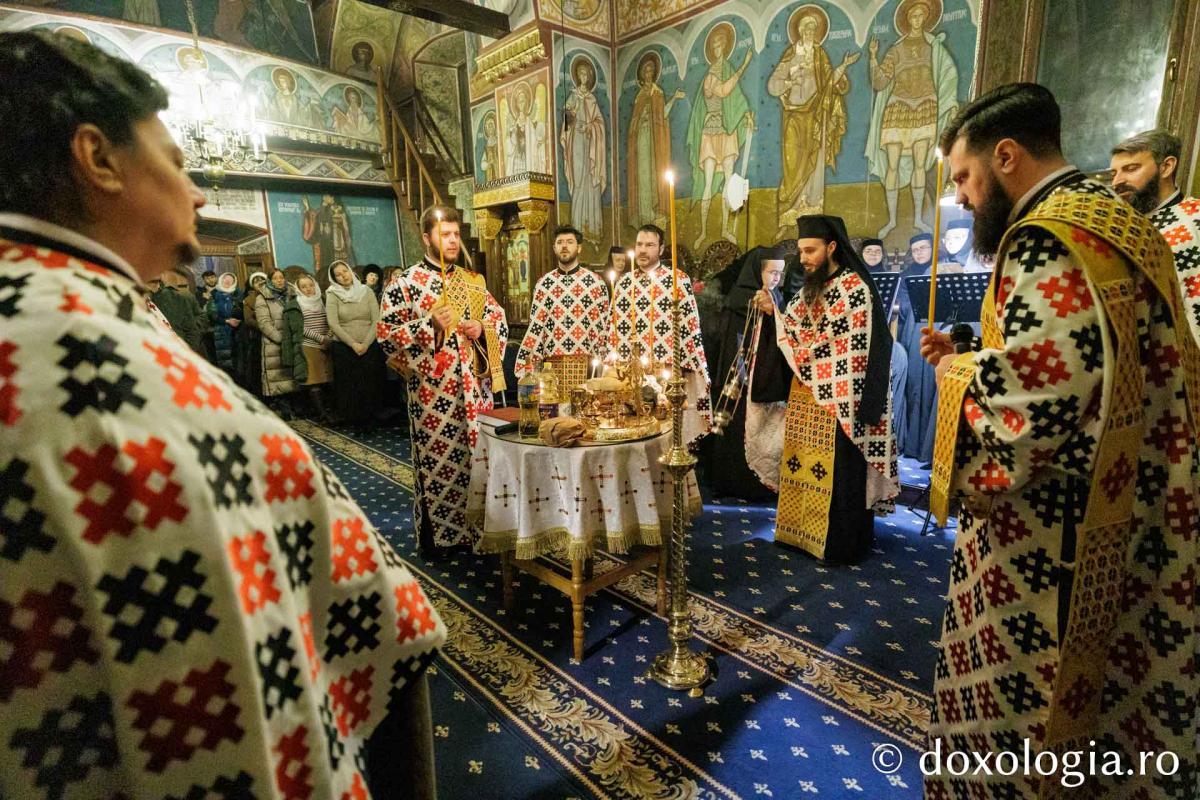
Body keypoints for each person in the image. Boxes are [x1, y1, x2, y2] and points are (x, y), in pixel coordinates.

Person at [0, 30, 445, 800]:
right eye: (176, 162)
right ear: (98, 158)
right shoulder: (106, 367)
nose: (200, 193)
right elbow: (376, 630)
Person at [921, 83, 1200, 798]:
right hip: (1132, 498)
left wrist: (955, 376)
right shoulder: (1116, 219)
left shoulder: (1047, 237)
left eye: (964, 176)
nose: (961, 197)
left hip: (1052, 540)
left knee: (1029, 725)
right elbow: (1078, 361)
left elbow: (1031, 414)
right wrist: (973, 355)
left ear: (1006, 156)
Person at [378, 205, 509, 552]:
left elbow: (498, 320)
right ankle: (442, 538)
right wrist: (429, 325)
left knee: (479, 462)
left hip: (476, 393)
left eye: (455, 234)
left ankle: (481, 532)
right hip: (433, 396)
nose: (452, 241)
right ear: (426, 238)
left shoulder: (472, 281)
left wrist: (481, 328)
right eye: (444, 234)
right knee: (440, 464)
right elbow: (386, 336)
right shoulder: (404, 284)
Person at [774, 215, 898, 564]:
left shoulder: (854, 288)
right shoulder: (807, 290)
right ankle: (799, 534)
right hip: (807, 395)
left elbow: (841, 346)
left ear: (831, 247)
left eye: (810, 250)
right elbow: (792, 327)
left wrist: (809, 356)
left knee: (842, 473)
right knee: (801, 463)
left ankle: (839, 544)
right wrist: (773, 314)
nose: (803, 258)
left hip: (843, 399)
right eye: (801, 251)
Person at [704, 247, 793, 500]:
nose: (776, 279)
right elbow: (734, 343)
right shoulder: (740, 299)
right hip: (740, 376)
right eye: (771, 272)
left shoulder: (777, 297)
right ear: (757, 271)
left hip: (765, 376)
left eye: (780, 274)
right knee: (734, 426)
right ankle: (732, 481)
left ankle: (760, 483)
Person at [610, 224, 711, 445]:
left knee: (669, 431)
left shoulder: (677, 280)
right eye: (639, 244)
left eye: (649, 245)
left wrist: (689, 363)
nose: (642, 250)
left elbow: (689, 325)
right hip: (632, 372)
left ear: (661, 248)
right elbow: (615, 327)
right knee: (635, 427)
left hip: (668, 369)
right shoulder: (624, 283)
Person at [767, 8, 858, 237]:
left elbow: (829, 82)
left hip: (815, 115)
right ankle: (789, 216)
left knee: (814, 161)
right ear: (799, 30)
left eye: (813, 28)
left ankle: (811, 216)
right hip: (793, 115)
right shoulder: (791, 54)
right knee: (792, 164)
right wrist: (789, 82)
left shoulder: (820, 55)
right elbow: (772, 85)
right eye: (806, 28)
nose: (810, 32)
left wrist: (843, 67)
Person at [1111, 129, 1200, 347]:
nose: (1117, 181)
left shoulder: (1196, 217)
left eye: (1131, 169)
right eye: (1114, 173)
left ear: (1166, 167)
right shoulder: (1120, 226)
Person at [515, 225, 610, 386]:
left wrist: (605, 360)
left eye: (569, 242)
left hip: (587, 360)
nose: (564, 246)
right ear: (554, 248)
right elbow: (536, 326)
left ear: (579, 248)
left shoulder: (594, 282)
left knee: (584, 400)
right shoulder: (544, 284)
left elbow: (604, 325)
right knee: (553, 400)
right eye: (560, 242)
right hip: (551, 362)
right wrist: (530, 361)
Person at [895, 231, 937, 462]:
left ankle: (928, 447)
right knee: (913, 386)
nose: (919, 253)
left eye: (924, 248)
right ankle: (911, 444)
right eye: (915, 250)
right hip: (912, 334)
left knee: (930, 388)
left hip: (936, 333)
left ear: (933, 248)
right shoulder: (906, 276)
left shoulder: (942, 268)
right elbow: (901, 308)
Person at [326, 260, 385, 424]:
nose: (343, 276)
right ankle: (354, 420)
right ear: (334, 279)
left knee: (371, 383)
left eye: (345, 271)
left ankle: (373, 419)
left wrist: (365, 344)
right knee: (350, 386)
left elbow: (377, 320)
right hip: (344, 347)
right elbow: (333, 324)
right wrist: (353, 344)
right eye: (338, 275)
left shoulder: (366, 291)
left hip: (369, 344)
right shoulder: (332, 294)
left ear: (350, 271)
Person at [561, 59, 606, 242]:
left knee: (591, 183)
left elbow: (600, 123)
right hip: (577, 145)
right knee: (579, 182)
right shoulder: (572, 97)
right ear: (577, 76)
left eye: (586, 74)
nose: (583, 77)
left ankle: (593, 232)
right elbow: (566, 126)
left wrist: (591, 127)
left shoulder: (592, 99)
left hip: (591, 144)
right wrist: (572, 113)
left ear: (589, 77)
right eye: (580, 73)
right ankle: (577, 229)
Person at [285, 273, 334, 421]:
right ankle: (322, 414)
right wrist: (321, 339)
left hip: (327, 344)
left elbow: (332, 320)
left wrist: (329, 337)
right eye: (304, 287)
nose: (308, 289)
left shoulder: (323, 300)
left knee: (328, 379)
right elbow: (299, 328)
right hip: (309, 346)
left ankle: (331, 411)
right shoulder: (295, 304)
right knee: (314, 381)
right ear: (299, 289)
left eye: (311, 285)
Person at [254, 268, 298, 414]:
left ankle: (295, 406)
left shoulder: (292, 294)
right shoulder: (263, 297)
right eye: (275, 278)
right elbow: (264, 323)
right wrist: (281, 339)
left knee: (292, 376)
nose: (279, 280)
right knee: (278, 376)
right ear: (269, 280)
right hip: (274, 343)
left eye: (281, 277)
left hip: (293, 340)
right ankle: (283, 406)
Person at [148, 267, 207, 356]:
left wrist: (186, 352)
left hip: (181, 354)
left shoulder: (177, 298)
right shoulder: (136, 297)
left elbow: (192, 330)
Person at [206, 271, 242, 375]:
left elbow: (244, 310)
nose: (228, 281)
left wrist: (239, 320)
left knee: (239, 361)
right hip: (221, 330)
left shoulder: (238, 294)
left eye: (231, 279)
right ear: (221, 279)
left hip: (238, 330)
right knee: (224, 362)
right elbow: (211, 313)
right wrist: (226, 321)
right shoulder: (214, 294)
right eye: (226, 278)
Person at [239, 270, 267, 394]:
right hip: (257, 336)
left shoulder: (272, 296)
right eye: (256, 281)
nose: (260, 283)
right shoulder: (249, 300)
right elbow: (249, 320)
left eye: (262, 280)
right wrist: (265, 327)